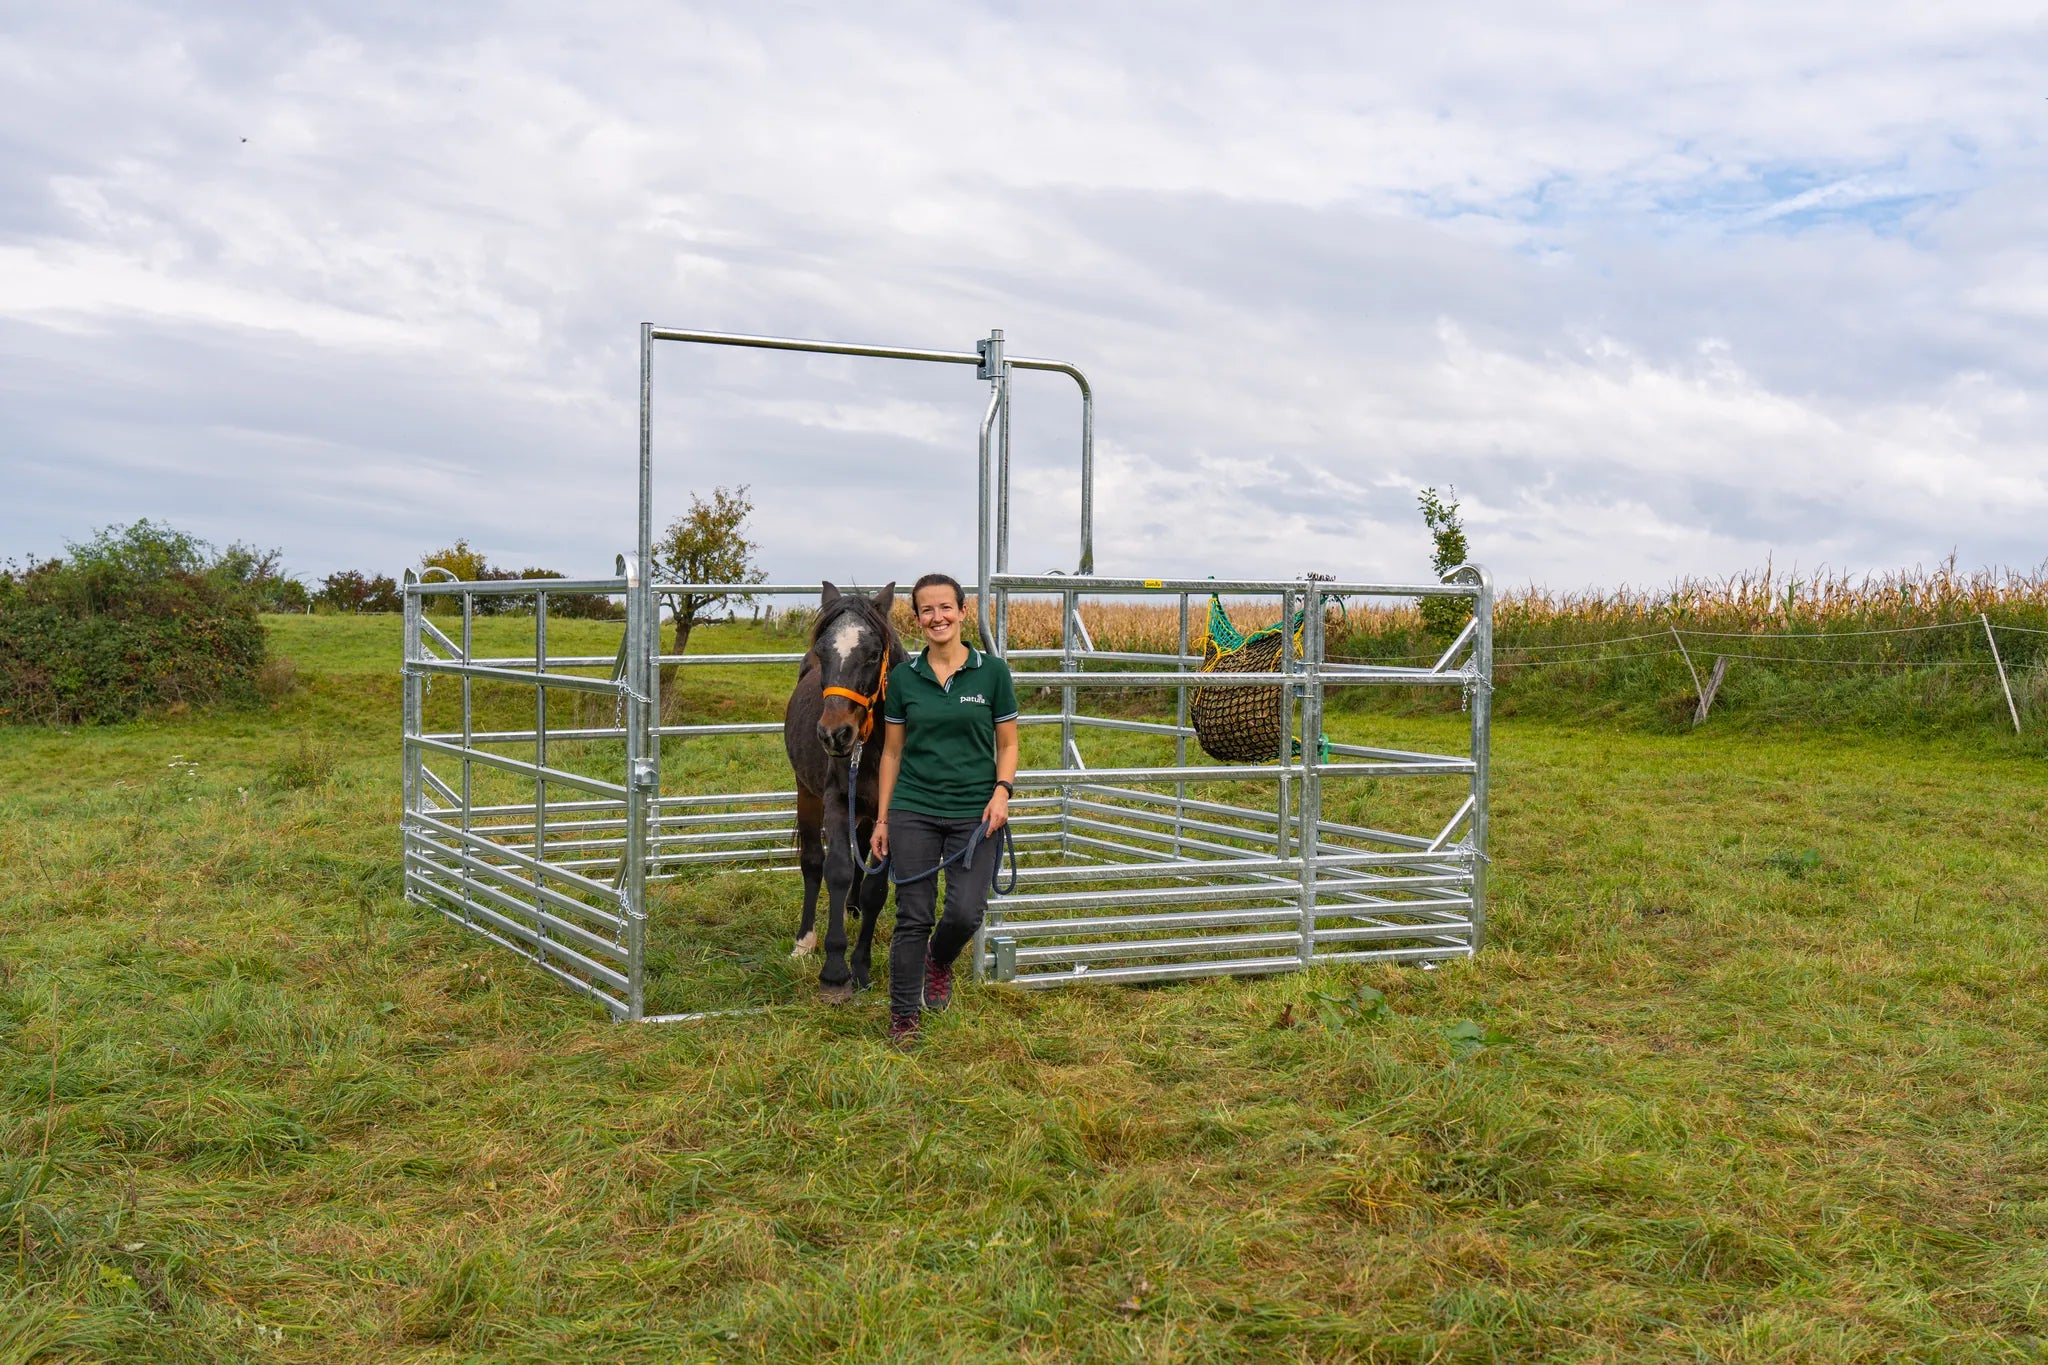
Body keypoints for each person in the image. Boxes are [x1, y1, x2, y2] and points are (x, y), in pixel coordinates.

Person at [870, 572, 1019, 1046]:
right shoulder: (903, 679)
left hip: (976, 813)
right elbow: (892, 753)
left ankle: (940, 960)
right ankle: (903, 1017)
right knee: (913, 913)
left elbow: (1009, 743)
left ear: (962, 611)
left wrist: (1002, 792)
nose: (937, 617)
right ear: (917, 619)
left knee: (965, 912)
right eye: (927, 610)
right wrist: (883, 819)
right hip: (914, 806)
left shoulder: (992, 673)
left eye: (945, 608)